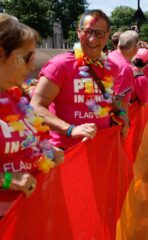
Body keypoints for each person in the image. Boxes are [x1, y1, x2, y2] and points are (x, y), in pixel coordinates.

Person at [31, 9, 128, 150]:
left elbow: (105, 97)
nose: (92, 39)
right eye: (87, 32)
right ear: (78, 32)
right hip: (67, 154)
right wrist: (70, 130)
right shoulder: (60, 65)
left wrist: (120, 112)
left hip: (101, 150)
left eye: (99, 33)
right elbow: (35, 107)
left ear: (107, 36)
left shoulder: (112, 68)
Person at [0, 13, 63, 214]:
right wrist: (8, 180)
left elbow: (30, 141)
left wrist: (48, 150)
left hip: (30, 213)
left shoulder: (17, 97)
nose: (32, 66)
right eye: (27, 57)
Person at [107, 30, 140, 112]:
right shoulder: (126, 68)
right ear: (136, 47)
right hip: (112, 117)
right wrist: (125, 123)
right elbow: (121, 102)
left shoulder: (110, 55)